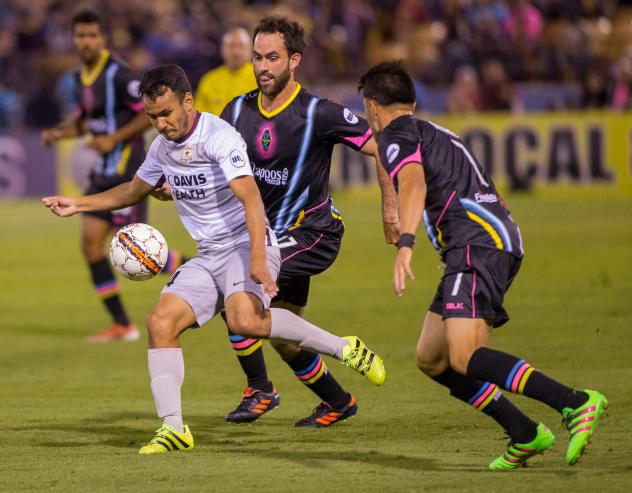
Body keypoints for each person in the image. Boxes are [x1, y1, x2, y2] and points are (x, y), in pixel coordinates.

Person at [42, 64, 385, 454]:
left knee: (244, 320)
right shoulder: (160, 147)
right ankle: (174, 429)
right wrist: (78, 204)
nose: (160, 124)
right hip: (210, 255)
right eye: (152, 117)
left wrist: (258, 258)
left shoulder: (219, 136)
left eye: (166, 113)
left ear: (187, 102)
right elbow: (132, 190)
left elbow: (252, 198)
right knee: (160, 322)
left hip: (246, 243)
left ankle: (344, 347)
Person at [358, 60, 607, 470]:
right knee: (432, 358)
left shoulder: (395, 133)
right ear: (412, 100)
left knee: (465, 356)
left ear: (372, 107)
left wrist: (406, 243)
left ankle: (574, 402)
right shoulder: (430, 129)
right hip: (485, 243)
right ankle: (525, 433)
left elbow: (414, 182)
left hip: (476, 245)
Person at [218, 16, 399, 428]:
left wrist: (390, 206)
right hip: (266, 238)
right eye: (257, 58)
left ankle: (260, 388)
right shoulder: (237, 110)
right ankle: (338, 402)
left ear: (294, 60)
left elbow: (384, 147)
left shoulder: (318, 112)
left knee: (232, 286)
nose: (263, 67)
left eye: (273, 58)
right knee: (280, 334)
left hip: (312, 234)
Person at [40, 9, 186, 342]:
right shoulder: (80, 78)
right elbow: (86, 120)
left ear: (104, 38)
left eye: (92, 35)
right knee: (91, 243)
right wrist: (59, 134)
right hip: (102, 172)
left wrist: (114, 139)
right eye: (80, 35)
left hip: (127, 173)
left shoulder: (121, 75)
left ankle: (205, 270)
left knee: (141, 251)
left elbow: (144, 115)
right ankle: (122, 323)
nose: (86, 42)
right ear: (73, 39)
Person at [195, 27, 256, 115]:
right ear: (222, 49)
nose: (236, 52)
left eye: (241, 46)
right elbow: (199, 116)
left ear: (251, 49)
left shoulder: (260, 77)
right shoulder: (209, 80)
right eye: (231, 46)